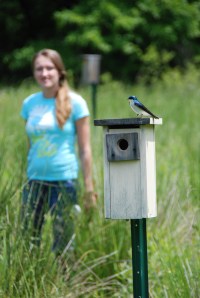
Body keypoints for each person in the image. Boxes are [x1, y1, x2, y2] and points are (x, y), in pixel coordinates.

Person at [21, 48, 97, 254]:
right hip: (34, 180)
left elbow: (84, 149)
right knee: (28, 239)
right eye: (39, 69)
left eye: (49, 68)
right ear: (34, 72)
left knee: (64, 242)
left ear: (59, 71)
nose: (44, 73)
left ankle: (65, 282)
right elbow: (31, 145)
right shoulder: (29, 104)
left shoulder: (76, 103)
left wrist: (89, 187)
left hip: (64, 181)